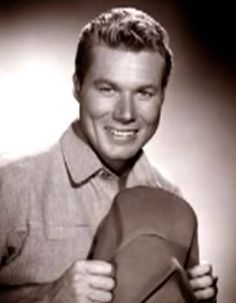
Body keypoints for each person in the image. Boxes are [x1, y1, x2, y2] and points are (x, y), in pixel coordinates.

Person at [0, 7, 218, 302]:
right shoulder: (11, 184)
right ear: (77, 87)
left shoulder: (172, 197)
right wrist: (50, 297)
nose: (125, 114)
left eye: (144, 93)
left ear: (162, 96)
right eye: (107, 89)